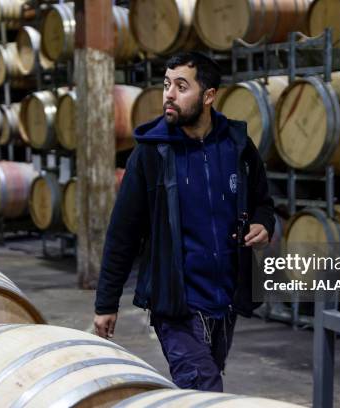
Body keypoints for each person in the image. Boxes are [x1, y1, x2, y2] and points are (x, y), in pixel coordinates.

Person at [93, 51, 275, 392]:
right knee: (205, 388)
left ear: (208, 96)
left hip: (224, 301)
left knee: (201, 386)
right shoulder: (151, 153)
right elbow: (123, 233)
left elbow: (263, 202)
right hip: (176, 304)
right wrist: (106, 303)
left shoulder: (237, 146)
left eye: (181, 86)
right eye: (166, 85)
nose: (168, 95)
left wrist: (264, 223)